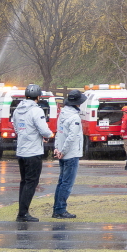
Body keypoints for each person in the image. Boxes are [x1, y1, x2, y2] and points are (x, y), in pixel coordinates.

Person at [13, 85, 54, 222]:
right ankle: (23, 213)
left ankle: (21, 211)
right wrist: (50, 134)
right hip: (33, 151)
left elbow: (16, 128)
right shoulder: (36, 110)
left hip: (21, 150)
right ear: (38, 97)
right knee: (31, 182)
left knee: (24, 182)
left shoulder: (17, 110)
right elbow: (44, 130)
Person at [51, 89, 84, 219]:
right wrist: (63, 151)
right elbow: (72, 137)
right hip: (71, 153)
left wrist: (57, 148)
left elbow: (59, 132)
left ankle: (57, 208)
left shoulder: (62, 114)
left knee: (61, 182)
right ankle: (60, 209)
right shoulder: (74, 117)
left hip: (62, 152)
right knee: (67, 183)